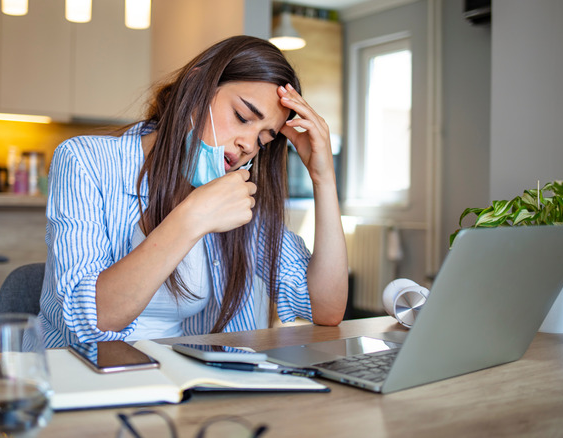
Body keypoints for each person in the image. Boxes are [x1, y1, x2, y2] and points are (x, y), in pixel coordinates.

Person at [37, 35, 348, 348]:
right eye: (242, 117)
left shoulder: (239, 195)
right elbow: (90, 320)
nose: (248, 145)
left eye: (263, 140)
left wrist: (323, 179)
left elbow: (326, 307)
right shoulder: (84, 160)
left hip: (182, 382)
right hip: (82, 378)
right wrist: (193, 216)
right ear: (197, 88)